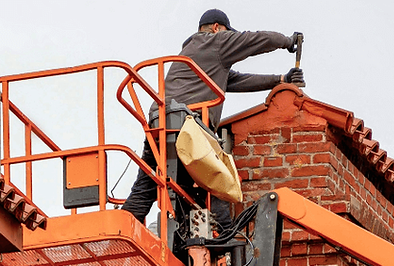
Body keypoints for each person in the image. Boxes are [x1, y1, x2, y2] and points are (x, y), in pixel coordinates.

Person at [121, 8, 304, 229]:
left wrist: (281, 79)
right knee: (217, 176)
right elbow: (256, 40)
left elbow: (236, 81)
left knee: (148, 184)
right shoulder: (214, 42)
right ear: (217, 28)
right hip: (186, 124)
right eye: (227, 33)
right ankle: (227, 235)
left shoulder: (194, 53)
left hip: (159, 123)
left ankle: (120, 228)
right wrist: (287, 41)